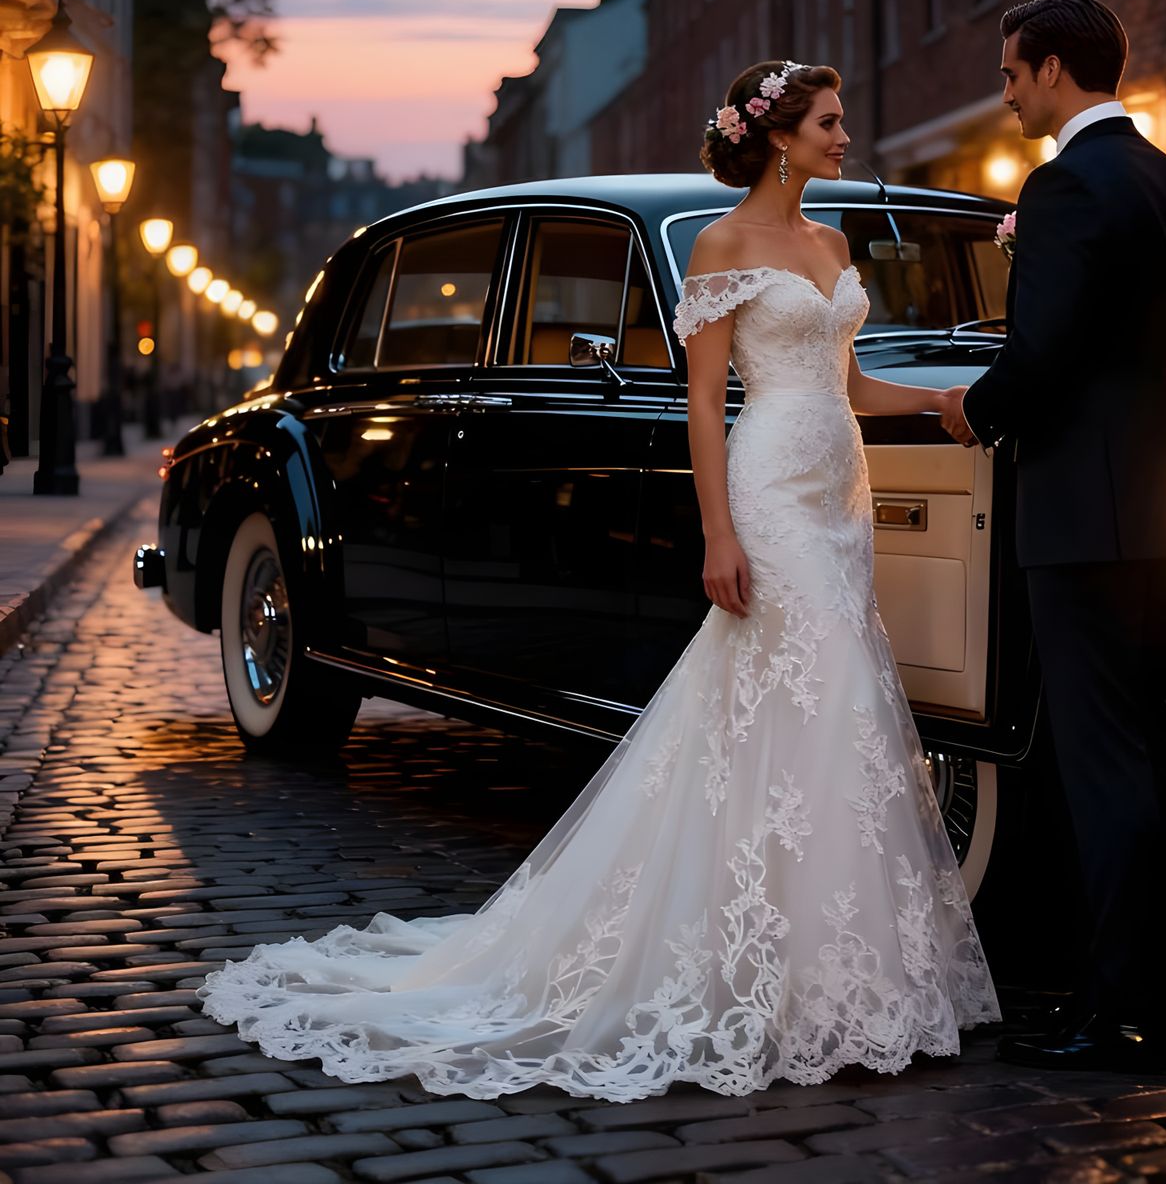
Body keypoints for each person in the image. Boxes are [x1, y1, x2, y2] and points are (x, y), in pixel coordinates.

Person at [198, 58, 998, 1102]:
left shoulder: (832, 242)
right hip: (764, 487)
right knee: (792, 694)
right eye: (830, 122)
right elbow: (707, 399)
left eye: (842, 121)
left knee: (840, 708)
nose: (846, 136)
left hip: (837, 492)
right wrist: (718, 532)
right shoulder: (720, 245)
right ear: (777, 135)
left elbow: (848, 382)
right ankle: (747, 966)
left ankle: (829, 966)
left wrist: (948, 402)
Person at [941, 0, 1166, 1075]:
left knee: (1098, 766)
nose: (1006, 91)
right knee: (1156, 755)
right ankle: (1156, 996)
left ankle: (1112, 1015)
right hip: (1161, 504)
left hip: (1078, 519)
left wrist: (980, 407)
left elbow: (1041, 351)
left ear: (1052, 70)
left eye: (1011, 73)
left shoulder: (1062, 185)